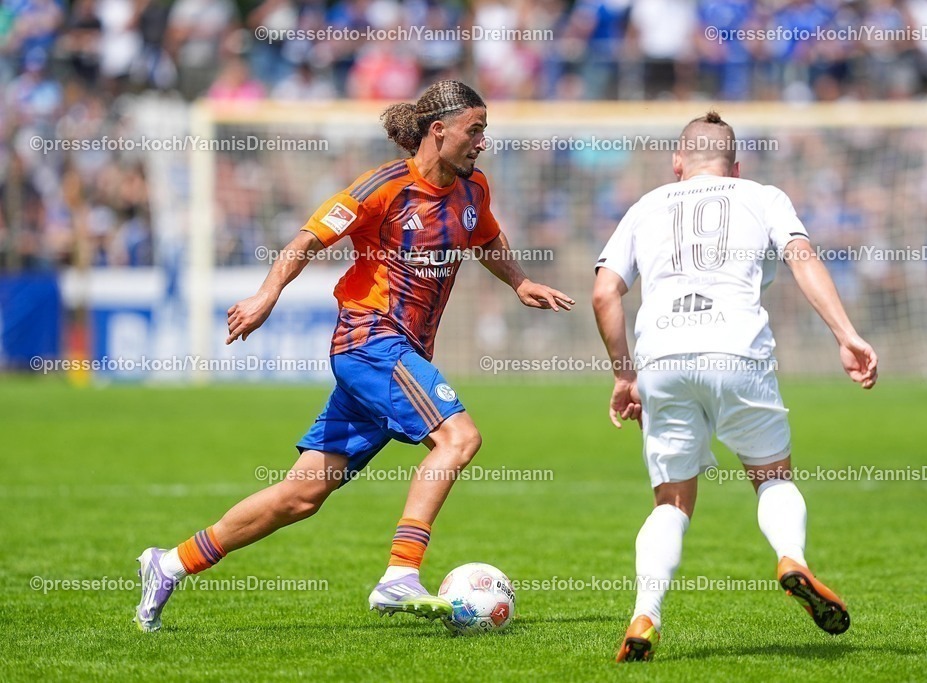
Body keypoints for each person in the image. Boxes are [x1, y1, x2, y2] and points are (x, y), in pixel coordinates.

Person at [134, 80, 575, 632]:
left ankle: (169, 563)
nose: (483, 141)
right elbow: (305, 241)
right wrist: (266, 295)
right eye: (475, 130)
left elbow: (487, 240)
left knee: (300, 496)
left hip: (394, 354)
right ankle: (400, 573)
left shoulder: (473, 189)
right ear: (439, 131)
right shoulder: (380, 188)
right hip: (370, 341)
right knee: (459, 438)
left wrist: (520, 281)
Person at [592, 111, 878, 662]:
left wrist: (624, 373)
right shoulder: (763, 195)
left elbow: (606, 293)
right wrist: (847, 335)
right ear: (734, 165)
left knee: (672, 500)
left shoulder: (646, 204)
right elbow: (803, 258)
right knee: (771, 476)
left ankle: (645, 614)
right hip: (738, 351)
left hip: (662, 357)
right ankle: (790, 558)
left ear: (678, 163)